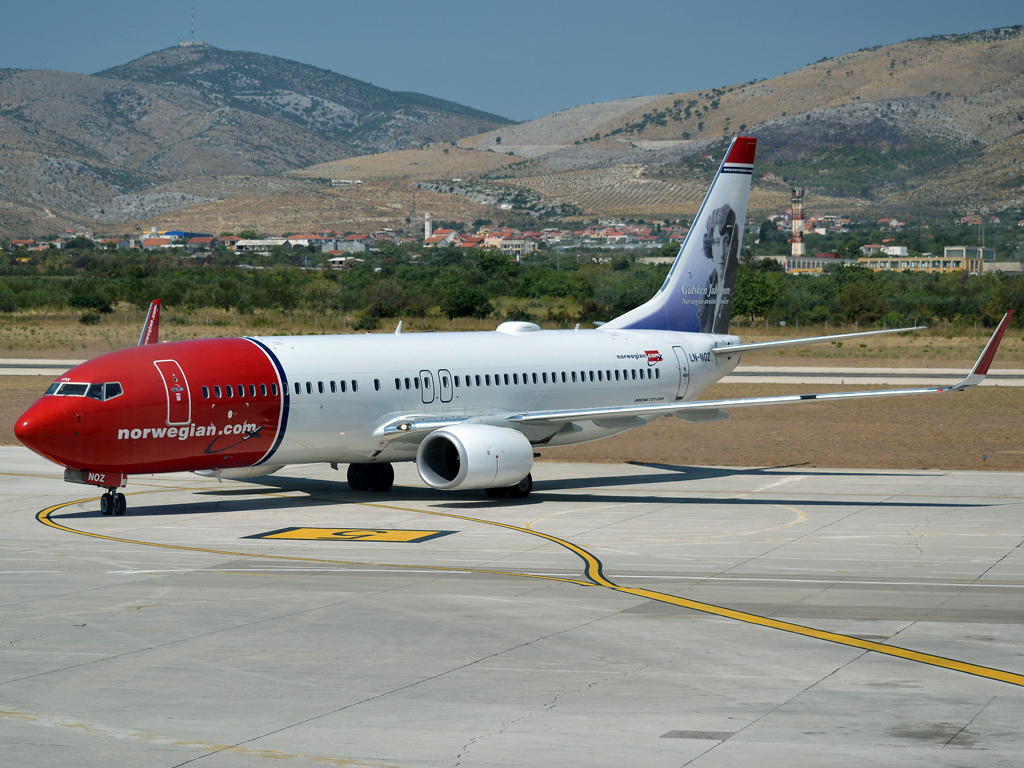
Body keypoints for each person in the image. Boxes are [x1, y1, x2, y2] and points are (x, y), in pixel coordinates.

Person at [696, 203, 739, 334]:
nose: (721, 252)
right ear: (710, 246)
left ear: (732, 245)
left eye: (726, 242)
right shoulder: (710, 286)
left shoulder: (736, 286)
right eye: (716, 242)